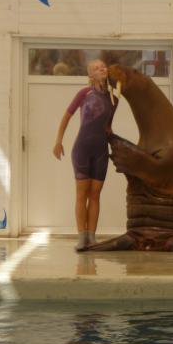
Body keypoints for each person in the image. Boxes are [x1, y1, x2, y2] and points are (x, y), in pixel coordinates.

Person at [53, 59, 118, 250]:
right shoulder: (84, 94)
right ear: (90, 75)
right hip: (82, 149)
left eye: (103, 66)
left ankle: (92, 237)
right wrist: (58, 141)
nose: (102, 69)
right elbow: (67, 116)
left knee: (95, 195)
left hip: (101, 151)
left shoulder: (114, 98)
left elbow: (108, 127)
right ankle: (82, 237)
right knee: (82, 194)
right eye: (97, 68)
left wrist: (116, 146)